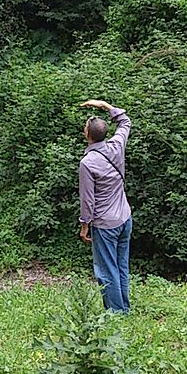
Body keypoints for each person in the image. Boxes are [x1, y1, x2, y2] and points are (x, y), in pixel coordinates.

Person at [77, 99, 133, 313]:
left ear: (88, 135)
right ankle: (124, 308)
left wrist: (84, 226)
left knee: (106, 271)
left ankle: (117, 314)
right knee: (121, 267)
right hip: (125, 217)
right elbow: (125, 122)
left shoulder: (87, 163)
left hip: (105, 224)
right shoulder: (117, 145)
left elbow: (87, 200)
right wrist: (107, 107)